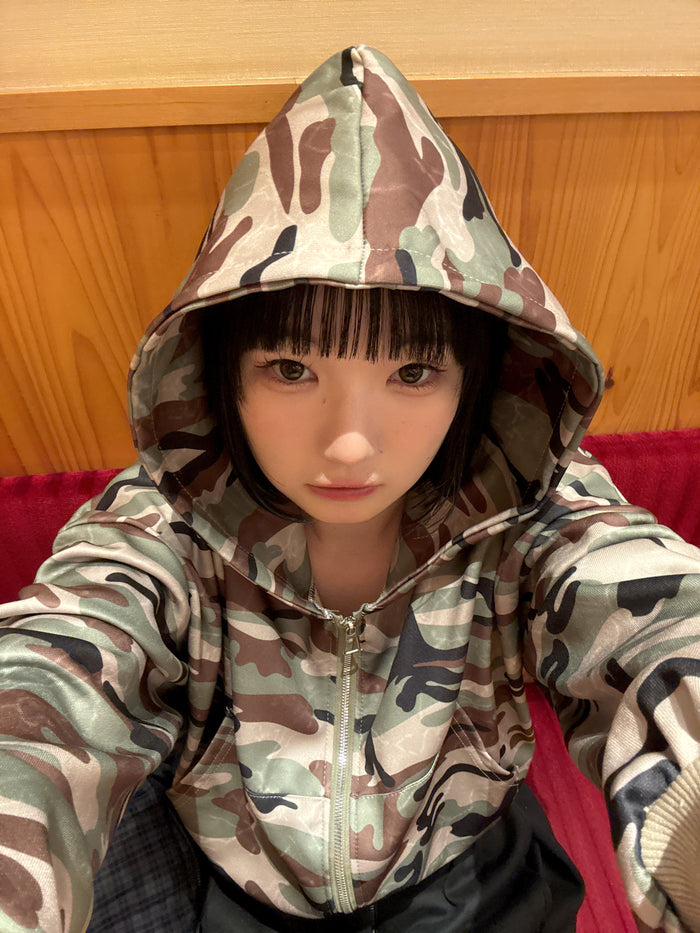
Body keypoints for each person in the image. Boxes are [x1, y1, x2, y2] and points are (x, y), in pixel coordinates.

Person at [0, 44, 698, 933]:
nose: (350, 442)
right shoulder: (159, 522)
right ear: (221, 374)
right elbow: (54, 675)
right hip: (246, 897)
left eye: (413, 373)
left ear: (476, 382)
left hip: (473, 881)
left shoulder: (535, 506)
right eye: (291, 369)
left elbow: (648, 606)